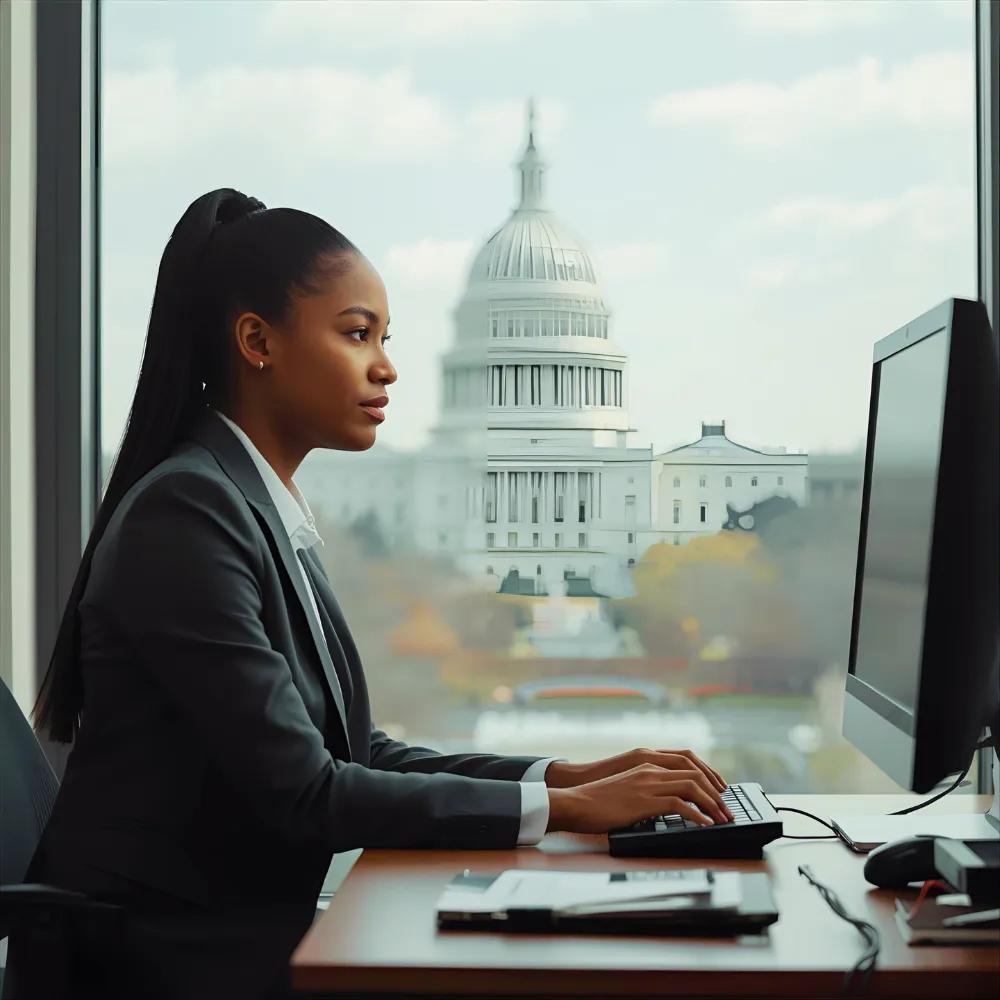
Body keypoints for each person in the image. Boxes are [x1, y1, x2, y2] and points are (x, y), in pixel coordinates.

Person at [8, 189, 733, 1000]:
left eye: (386, 338)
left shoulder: (249, 506)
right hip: (167, 966)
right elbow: (309, 794)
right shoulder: (190, 514)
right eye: (357, 334)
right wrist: (568, 811)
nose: (386, 366)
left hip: (224, 939)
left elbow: (355, 754)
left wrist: (564, 777)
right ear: (257, 342)